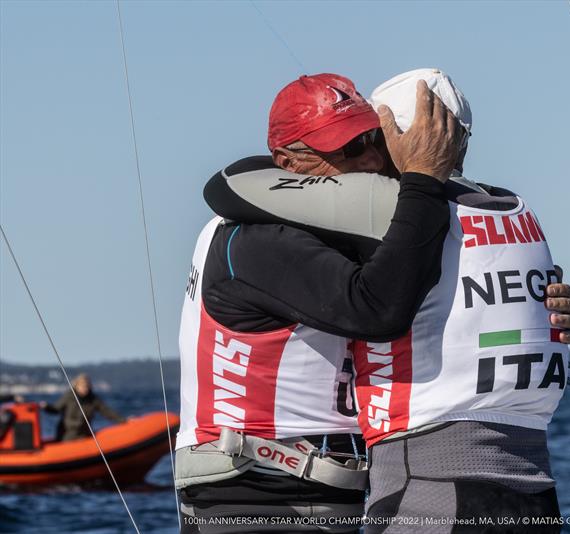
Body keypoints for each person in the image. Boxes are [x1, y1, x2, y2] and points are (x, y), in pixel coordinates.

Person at [204, 68, 570, 533]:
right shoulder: (514, 210)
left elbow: (228, 184)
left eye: (373, 142)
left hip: (431, 482)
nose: (365, 162)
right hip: (533, 487)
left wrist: (419, 178)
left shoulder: (386, 215)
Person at [176, 73, 465, 533]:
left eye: (373, 139)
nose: (371, 160)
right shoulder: (253, 240)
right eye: (347, 151)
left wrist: (543, 305)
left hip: (321, 487)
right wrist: (424, 181)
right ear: (287, 163)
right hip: (252, 491)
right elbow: (378, 310)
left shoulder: (321, 233)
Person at [40, 373, 124, 442]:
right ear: (77, 386)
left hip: (85, 435)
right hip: (68, 435)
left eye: (87, 386)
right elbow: (56, 409)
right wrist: (46, 407)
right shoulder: (69, 397)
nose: (85, 389)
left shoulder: (93, 399)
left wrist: (122, 420)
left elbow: (107, 412)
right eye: (82, 386)